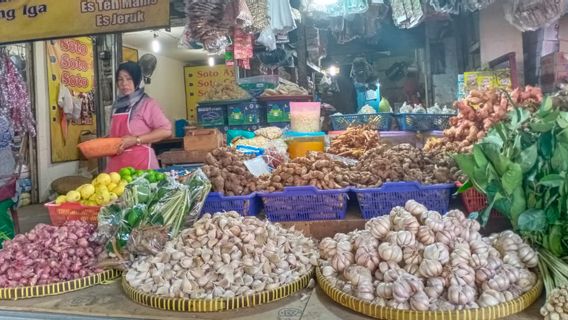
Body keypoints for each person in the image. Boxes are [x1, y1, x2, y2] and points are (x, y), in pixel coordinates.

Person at [106, 61, 172, 172]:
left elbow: (166, 131)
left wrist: (136, 140)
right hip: (117, 167)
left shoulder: (147, 103)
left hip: (141, 165)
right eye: (120, 79)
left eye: (128, 78)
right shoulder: (116, 106)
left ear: (136, 80)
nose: (124, 83)